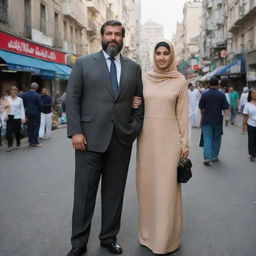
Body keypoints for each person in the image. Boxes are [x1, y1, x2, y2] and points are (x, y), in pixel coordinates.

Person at [65, 20, 143, 256]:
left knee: (114, 193)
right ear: (101, 36)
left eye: (117, 34)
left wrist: (134, 128)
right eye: (108, 33)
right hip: (88, 140)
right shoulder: (83, 64)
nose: (112, 38)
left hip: (120, 140)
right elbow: (72, 99)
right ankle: (78, 242)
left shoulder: (133, 67)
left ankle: (109, 237)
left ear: (122, 38)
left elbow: (140, 102)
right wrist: (76, 131)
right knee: (84, 194)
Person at [135, 40, 189, 255]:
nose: (162, 57)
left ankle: (167, 239)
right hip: (146, 141)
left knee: (167, 192)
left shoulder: (180, 80)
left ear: (171, 55)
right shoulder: (144, 78)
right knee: (147, 189)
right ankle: (148, 235)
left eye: (166, 53)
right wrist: (133, 104)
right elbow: (136, 103)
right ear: (153, 55)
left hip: (170, 143)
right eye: (158, 53)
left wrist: (184, 144)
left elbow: (182, 114)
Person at [199, 77, 229, 166]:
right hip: (218, 120)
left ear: (209, 84)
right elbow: (226, 108)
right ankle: (214, 156)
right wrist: (227, 119)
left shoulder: (204, 94)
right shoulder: (221, 95)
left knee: (207, 138)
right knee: (217, 138)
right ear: (217, 84)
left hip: (207, 120)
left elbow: (202, 109)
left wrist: (202, 117)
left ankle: (207, 158)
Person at [21, 82, 42, 147]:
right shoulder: (37, 95)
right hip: (36, 113)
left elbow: (22, 103)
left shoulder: (25, 94)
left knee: (30, 127)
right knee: (36, 127)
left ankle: (30, 142)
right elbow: (40, 105)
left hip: (28, 113)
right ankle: (35, 142)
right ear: (36, 88)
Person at [5, 86, 25, 152]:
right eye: (12, 90)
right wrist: (5, 116)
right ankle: (9, 146)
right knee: (9, 132)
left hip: (17, 117)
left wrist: (23, 118)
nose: (13, 92)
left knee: (17, 132)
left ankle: (18, 143)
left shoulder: (20, 99)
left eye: (15, 90)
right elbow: (4, 108)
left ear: (17, 92)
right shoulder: (7, 99)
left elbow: (22, 109)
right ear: (10, 91)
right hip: (9, 117)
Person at [242, 88, 256, 161]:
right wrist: (243, 126)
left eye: (255, 93)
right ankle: (251, 154)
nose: (254, 94)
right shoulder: (247, 105)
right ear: (250, 95)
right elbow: (245, 117)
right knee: (251, 140)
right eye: (253, 93)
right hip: (251, 125)